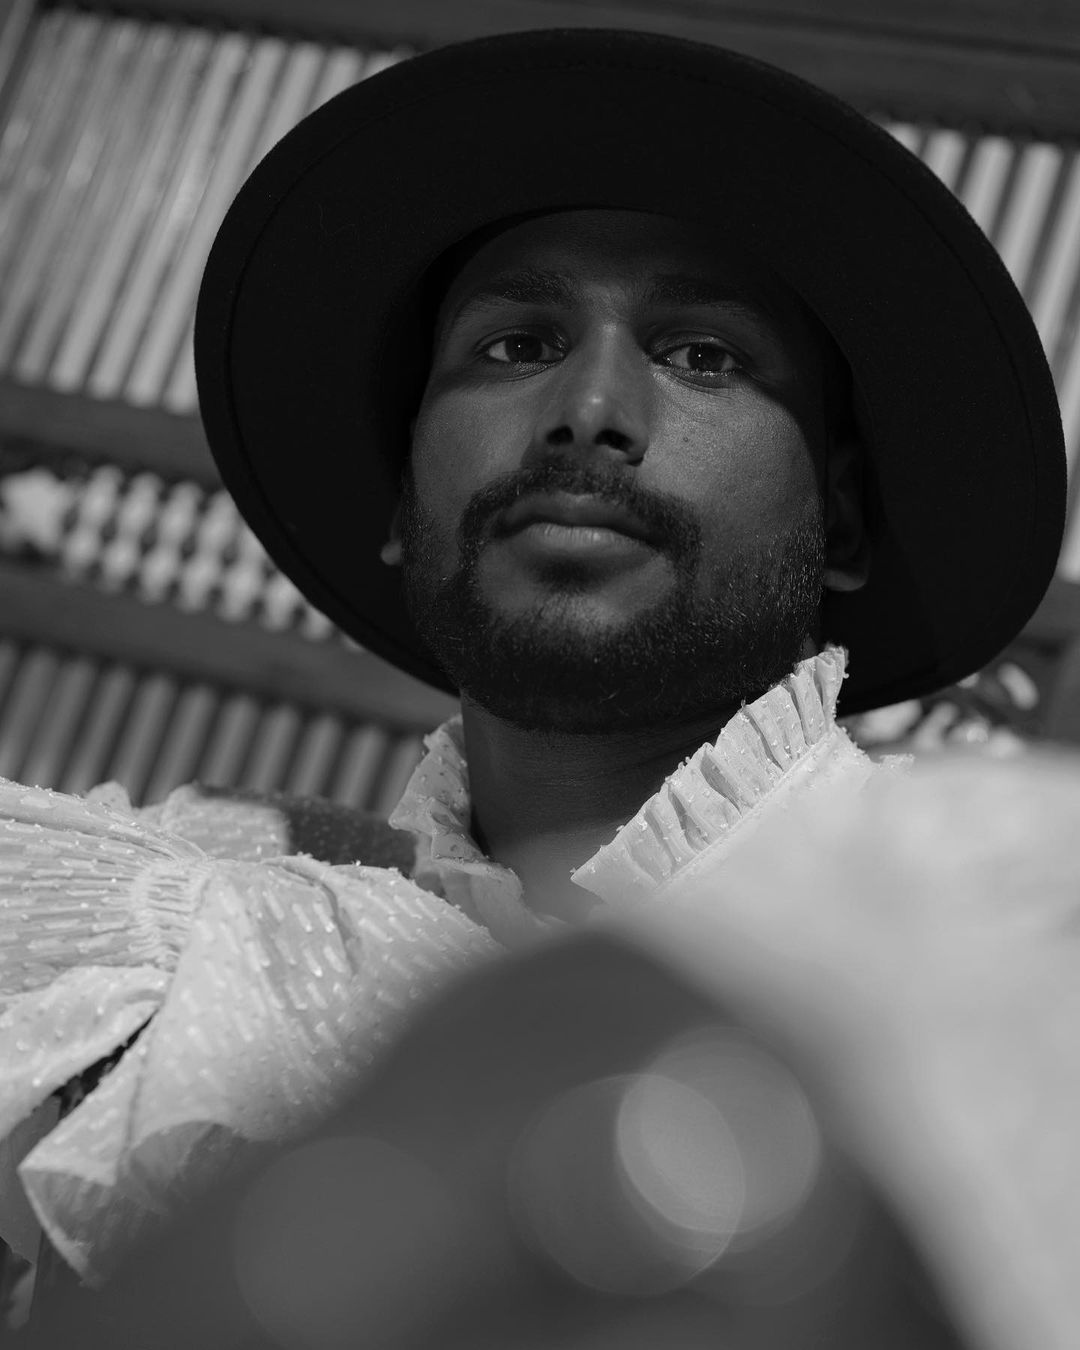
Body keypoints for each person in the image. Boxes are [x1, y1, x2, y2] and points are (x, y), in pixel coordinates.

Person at [0, 23, 1067, 1327]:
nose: (590, 410)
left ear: (839, 520)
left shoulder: (1004, 927)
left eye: (705, 354)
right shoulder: (176, 908)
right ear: (401, 504)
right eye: (514, 345)